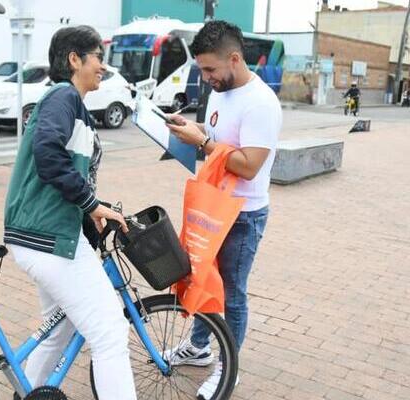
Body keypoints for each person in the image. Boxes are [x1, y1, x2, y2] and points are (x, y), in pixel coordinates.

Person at [3, 25, 136, 399]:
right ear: (74, 59)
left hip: (42, 233)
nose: (104, 67)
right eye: (99, 57)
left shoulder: (70, 104)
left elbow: (66, 173)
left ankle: (26, 394)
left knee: (58, 328)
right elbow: (49, 155)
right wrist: (91, 204)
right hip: (48, 236)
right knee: (110, 329)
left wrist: (92, 211)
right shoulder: (63, 97)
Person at [163, 20, 282, 399]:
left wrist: (203, 143)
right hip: (214, 207)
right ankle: (199, 348)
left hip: (243, 214)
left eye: (210, 70)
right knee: (203, 281)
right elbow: (219, 139)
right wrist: (193, 131)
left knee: (232, 292)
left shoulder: (261, 103)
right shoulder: (221, 91)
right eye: (201, 69)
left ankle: (228, 366)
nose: (206, 77)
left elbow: (248, 165)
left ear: (234, 58)